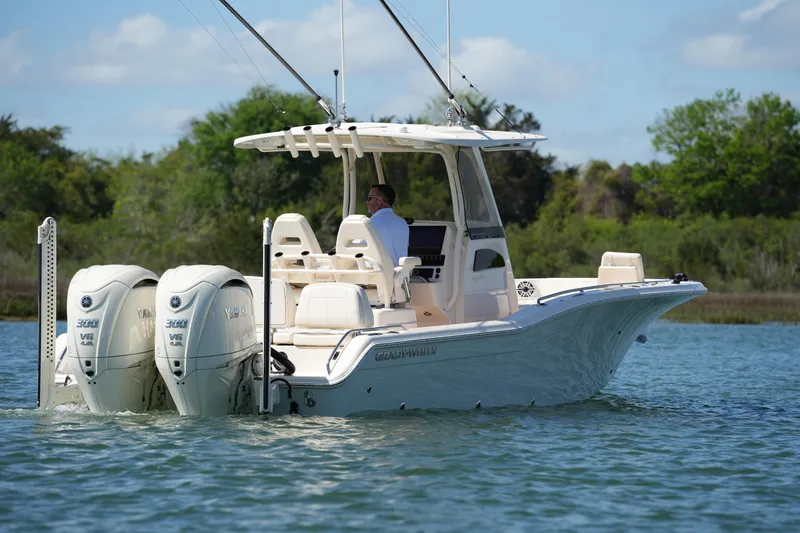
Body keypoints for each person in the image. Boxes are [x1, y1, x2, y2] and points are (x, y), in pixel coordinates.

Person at [366, 184, 408, 267]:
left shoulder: (369, 224)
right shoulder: (403, 223)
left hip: (376, 277)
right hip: (398, 277)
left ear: (380, 200)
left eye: (369, 198)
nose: (367, 202)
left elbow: (351, 248)